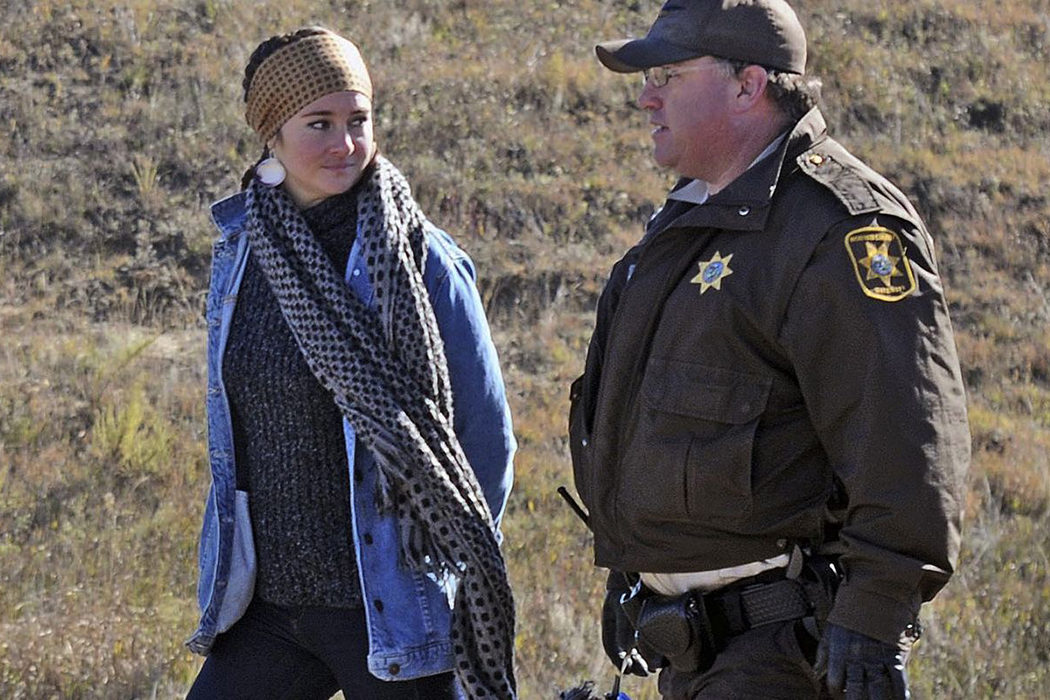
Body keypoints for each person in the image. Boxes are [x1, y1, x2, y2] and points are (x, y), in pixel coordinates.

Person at [568, 1, 971, 698]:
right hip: (693, 654)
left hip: (783, 656)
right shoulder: (686, 225)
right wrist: (637, 572)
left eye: (668, 74)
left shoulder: (839, 230)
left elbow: (906, 436)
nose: (646, 95)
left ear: (748, 85)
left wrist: (876, 615)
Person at [185, 27, 518, 700]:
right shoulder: (242, 251)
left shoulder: (420, 262)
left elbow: (486, 438)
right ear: (271, 135)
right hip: (269, 607)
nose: (346, 144)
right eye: (320, 124)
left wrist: (446, 565)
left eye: (358, 120)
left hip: (387, 607)